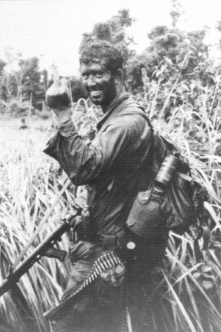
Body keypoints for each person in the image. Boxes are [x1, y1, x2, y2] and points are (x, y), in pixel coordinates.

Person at [44, 41, 168, 332]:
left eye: (98, 74)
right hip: (101, 250)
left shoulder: (126, 122)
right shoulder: (114, 117)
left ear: (118, 74)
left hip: (106, 257)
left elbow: (85, 167)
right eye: (85, 75)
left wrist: (63, 115)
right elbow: (100, 176)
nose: (89, 82)